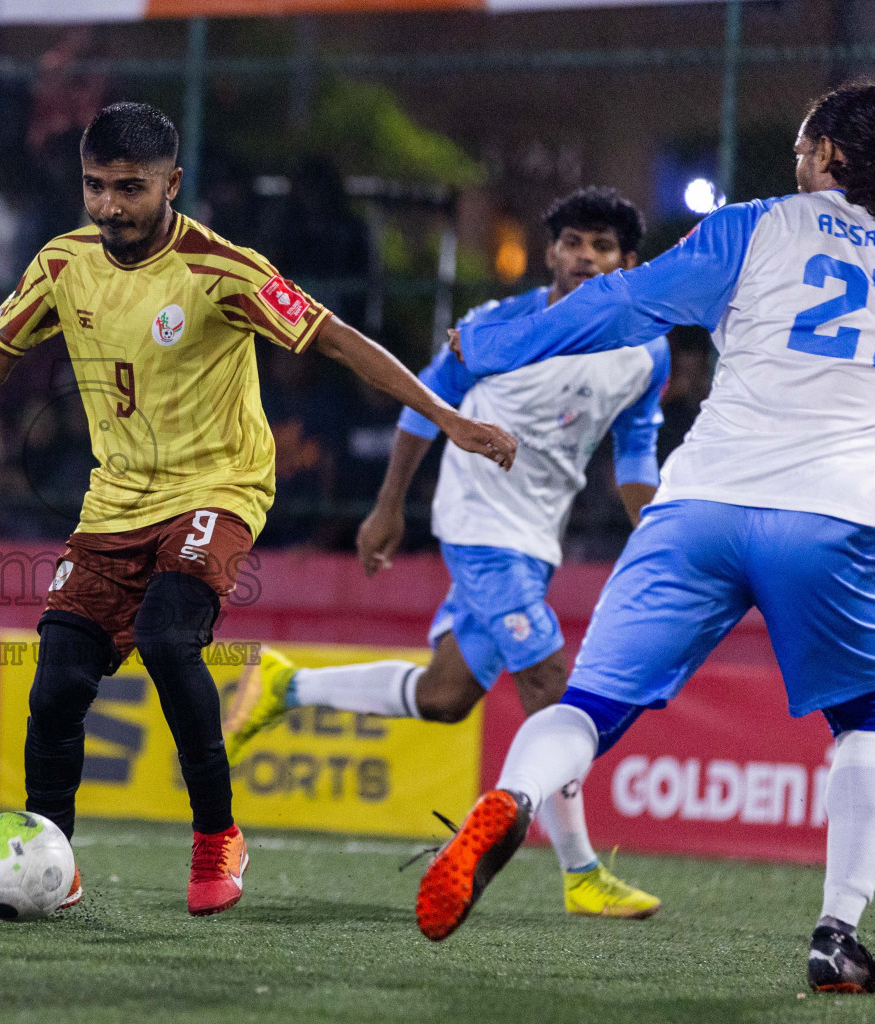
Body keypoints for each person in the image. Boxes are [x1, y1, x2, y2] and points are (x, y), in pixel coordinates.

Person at [0, 101, 517, 918]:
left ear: (172, 185)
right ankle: (52, 864)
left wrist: (450, 418)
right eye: (95, 187)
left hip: (219, 488)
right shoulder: (63, 263)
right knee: (57, 684)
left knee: (169, 639)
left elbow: (338, 339)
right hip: (114, 502)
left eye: (129, 189)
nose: (109, 206)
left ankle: (218, 836)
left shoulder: (222, 269)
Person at [416, 81, 875, 997]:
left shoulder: (756, 224)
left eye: (799, 145)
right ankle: (838, 933)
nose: (794, 159)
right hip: (833, 512)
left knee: (588, 706)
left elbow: (620, 306)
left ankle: (513, 800)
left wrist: (499, 350)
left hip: (696, 502)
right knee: (864, 723)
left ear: (827, 154)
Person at [224, 187, 665, 920]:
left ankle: (283, 687)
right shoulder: (495, 327)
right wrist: (390, 505)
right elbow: (422, 400)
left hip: (536, 538)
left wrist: (655, 531)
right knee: (555, 694)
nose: (584, 256)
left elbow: (638, 447)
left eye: (602, 246)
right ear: (551, 252)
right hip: (479, 527)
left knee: (446, 697)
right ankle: (581, 872)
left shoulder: (645, 347)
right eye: (572, 242)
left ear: (628, 262)